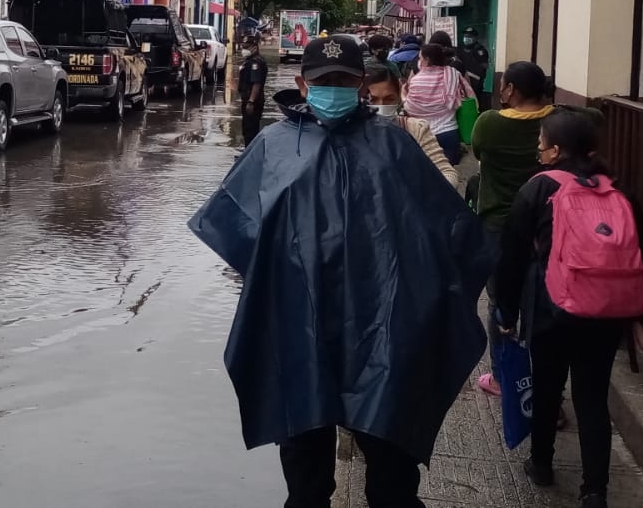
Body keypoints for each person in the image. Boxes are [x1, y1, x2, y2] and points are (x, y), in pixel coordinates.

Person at [191, 35, 492, 508]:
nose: (334, 88)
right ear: (302, 84)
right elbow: (238, 232)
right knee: (307, 484)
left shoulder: (395, 146)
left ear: (362, 87)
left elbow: (446, 229)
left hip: (384, 334)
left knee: (392, 479)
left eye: (344, 81)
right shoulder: (273, 147)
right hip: (300, 332)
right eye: (324, 81)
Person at [495, 111, 643, 508]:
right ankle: (595, 490)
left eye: (542, 143)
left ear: (555, 151)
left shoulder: (537, 188)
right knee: (592, 396)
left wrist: (506, 311)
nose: (538, 148)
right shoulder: (621, 192)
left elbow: (513, 256)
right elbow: (641, 256)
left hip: (552, 307)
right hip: (607, 310)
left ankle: (542, 464)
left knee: (548, 386)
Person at [469, 60, 553, 395]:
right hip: (545, 226)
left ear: (510, 90)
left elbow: (477, 149)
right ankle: (543, 385)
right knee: (540, 303)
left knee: (500, 302)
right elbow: (594, 117)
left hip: (498, 224)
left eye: (503, 85)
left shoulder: (489, 124)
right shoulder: (557, 123)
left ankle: (504, 378)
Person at [364, 63, 457, 188]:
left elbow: (447, 173)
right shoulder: (350, 134)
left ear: (398, 97)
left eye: (389, 99)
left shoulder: (415, 129)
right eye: (372, 100)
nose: (381, 106)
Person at [404, 43, 473, 165]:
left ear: (427, 60)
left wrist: (403, 96)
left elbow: (410, 109)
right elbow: (468, 96)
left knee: (426, 174)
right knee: (448, 175)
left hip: (423, 135)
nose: (419, 61)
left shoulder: (415, 80)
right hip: (448, 133)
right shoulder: (453, 74)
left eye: (420, 58)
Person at [236, 34, 269, 145]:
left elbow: (257, 83)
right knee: (247, 129)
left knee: (251, 130)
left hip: (253, 102)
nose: (244, 49)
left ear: (255, 47)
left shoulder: (256, 63)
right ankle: (248, 152)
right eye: (244, 47)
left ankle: (251, 154)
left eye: (247, 47)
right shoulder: (249, 61)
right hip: (248, 100)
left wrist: (251, 102)